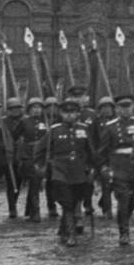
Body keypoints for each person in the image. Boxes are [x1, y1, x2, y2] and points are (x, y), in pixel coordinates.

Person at [35, 97, 100, 246]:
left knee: (74, 201)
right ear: (61, 113)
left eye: (73, 112)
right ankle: (71, 235)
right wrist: (39, 166)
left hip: (78, 171)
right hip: (60, 170)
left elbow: (91, 152)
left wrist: (93, 169)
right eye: (66, 112)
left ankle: (63, 229)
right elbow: (39, 149)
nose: (69, 115)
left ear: (77, 113)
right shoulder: (55, 130)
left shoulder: (83, 129)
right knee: (67, 202)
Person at [101, 94, 134, 245]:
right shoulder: (110, 126)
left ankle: (125, 219)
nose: (125, 110)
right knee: (124, 198)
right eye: (122, 107)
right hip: (119, 167)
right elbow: (103, 151)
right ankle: (124, 231)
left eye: (128, 106)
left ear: (133, 107)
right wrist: (104, 167)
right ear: (117, 109)